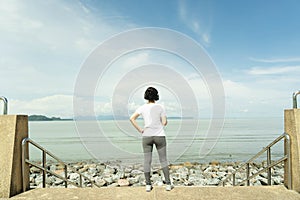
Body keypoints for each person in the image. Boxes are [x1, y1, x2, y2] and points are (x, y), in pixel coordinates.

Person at [130, 87, 173, 192]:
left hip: (147, 136)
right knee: (163, 160)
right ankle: (168, 184)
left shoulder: (142, 107)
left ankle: (148, 185)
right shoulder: (160, 107)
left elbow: (132, 118)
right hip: (160, 136)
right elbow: (164, 123)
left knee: (147, 161)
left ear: (146, 96)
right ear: (156, 96)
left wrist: (140, 130)